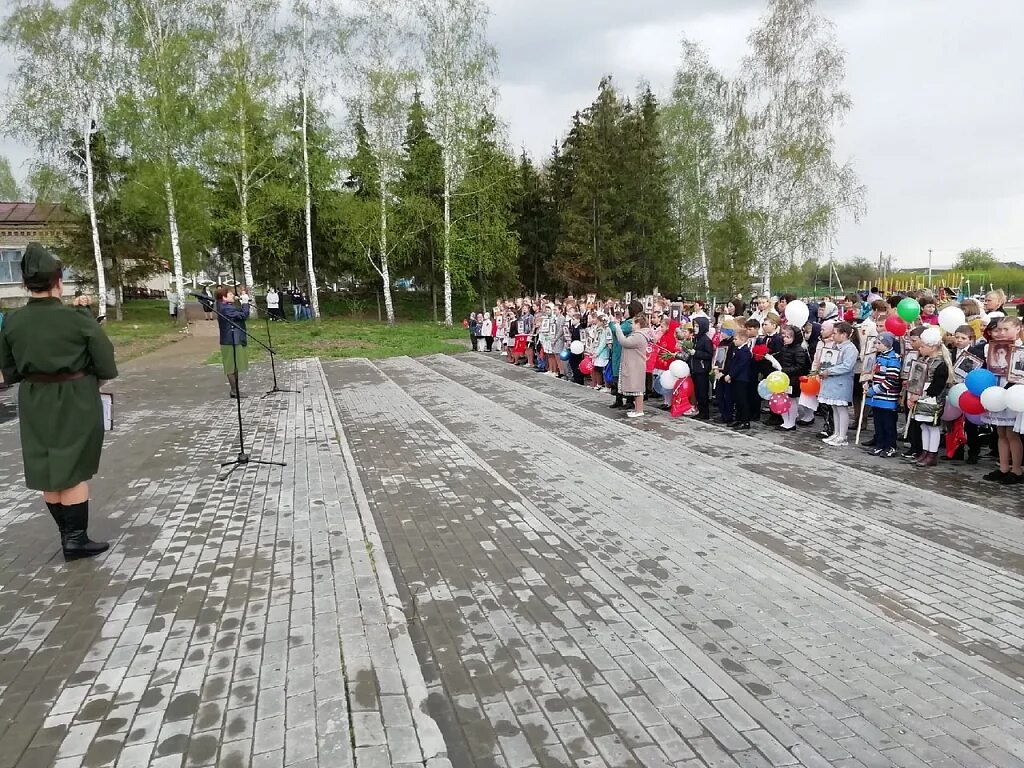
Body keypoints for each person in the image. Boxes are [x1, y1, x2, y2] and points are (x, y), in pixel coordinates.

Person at [0, 243, 117, 560]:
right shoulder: (77, 319)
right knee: (74, 471)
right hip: (75, 398)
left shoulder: (12, 321)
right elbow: (106, 365)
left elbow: (8, 371)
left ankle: (68, 537)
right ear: (58, 281)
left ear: (26, 284)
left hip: (35, 400)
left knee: (49, 469)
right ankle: (76, 541)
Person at [982, 316, 1023, 484]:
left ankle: (1017, 469)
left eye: (1006, 329)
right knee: (1001, 432)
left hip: (1014, 393)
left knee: (1012, 433)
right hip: (997, 391)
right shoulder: (994, 348)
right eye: (999, 329)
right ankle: (1003, 467)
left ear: (1018, 329)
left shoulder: (1020, 349)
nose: (1002, 333)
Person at [908, 332, 952, 467]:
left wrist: (919, 395)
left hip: (932, 400)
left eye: (923, 346)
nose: (920, 349)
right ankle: (925, 451)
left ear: (932, 347)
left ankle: (932, 454)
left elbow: (937, 386)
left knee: (932, 427)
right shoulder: (925, 361)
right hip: (921, 398)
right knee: (923, 426)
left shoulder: (941, 364)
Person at [817, 321, 858, 446]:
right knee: (834, 408)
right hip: (832, 382)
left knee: (841, 408)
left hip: (842, 382)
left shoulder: (850, 349)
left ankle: (842, 435)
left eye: (835, 333)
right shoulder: (835, 346)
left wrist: (829, 371)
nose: (833, 336)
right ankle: (836, 432)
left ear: (844, 335)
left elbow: (846, 366)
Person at [864, 332, 902, 457]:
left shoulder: (893, 359)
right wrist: (867, 383)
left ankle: (890, 446)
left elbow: (891, 379)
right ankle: (880, 444)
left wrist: (874, 390)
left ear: (887, 344)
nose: (876, 345)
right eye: (876, 342)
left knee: (888, 424)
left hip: (887, 397)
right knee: (878, 422)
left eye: (879, 343)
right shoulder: (879, 357)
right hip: (877, 398)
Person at [766, 325, 811, 431]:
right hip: (783, 378)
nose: (785, 338)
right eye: (784, 336)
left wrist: (784, 370)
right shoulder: (785, 348)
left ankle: (791, 422)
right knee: (784, 399)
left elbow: (799, 367)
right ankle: (786, 421)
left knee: (791, 400)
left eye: (788, 337)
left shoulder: (799, 350)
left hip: (793, 379)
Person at [610, 313, 648, 419]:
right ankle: (637, 409)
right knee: (636, 388)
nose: (631, 325)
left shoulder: (639, 336)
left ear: (638, 324)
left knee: (638, 389)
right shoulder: (638, 334)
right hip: (635, 365)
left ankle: (639, 410)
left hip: (636, 366)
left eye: (633, 323)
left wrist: (617, 328)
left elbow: (624, 342)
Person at [216, 285, 252, 399]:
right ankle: (234, 391)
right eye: (230, 294)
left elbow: (239, 314)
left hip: (232, 339)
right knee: (231, 366)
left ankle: (235, 390)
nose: (233, 295)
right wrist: (245, 302)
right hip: (229, 340)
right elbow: (243, 315)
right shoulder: (225, 308)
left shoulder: (227, 306)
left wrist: (243, 303)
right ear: (224, 297)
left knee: (234, 366)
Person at [690, 316, 714, 420]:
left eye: (697, 326)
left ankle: (705, 413)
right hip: (695, 368)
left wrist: (696, 353)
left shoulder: (706, 340)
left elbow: (709, 355)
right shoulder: (695, 338)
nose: (695, 328)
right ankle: (700, 411)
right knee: (697, 391)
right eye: (694, 325)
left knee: (702, 392)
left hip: (702, 369)